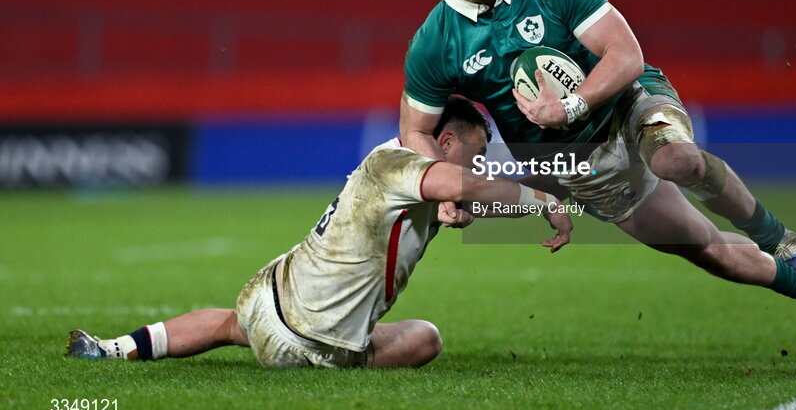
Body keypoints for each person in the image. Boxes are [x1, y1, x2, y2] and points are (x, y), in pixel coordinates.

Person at [399, 0, 796, 333]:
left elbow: (625, 54)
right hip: (576, 162)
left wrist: (570, 105)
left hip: (629, 98)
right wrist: (448, 188)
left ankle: (780, 238)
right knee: (705, 247)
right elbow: (416, 131)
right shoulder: (435, 42)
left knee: (678, 161)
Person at [66, 97, 572, 368]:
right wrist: (541, 201)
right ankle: (343, 352)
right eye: (476, 151)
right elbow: (466, 185)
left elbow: (464, 196)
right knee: (426, 338)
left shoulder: (410, 176)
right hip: (316, 339)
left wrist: (472, 210)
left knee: (227, 325)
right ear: (444, 140)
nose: (481, 164)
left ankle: (115, 349)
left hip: (267, 301)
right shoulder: (396, 162)